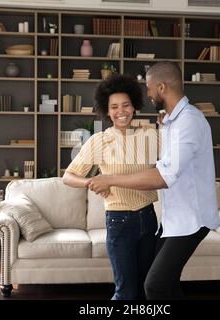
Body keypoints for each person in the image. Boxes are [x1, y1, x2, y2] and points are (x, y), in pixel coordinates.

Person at [87, 61, 220, 300]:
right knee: (165, 285)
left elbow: (162, 176)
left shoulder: (189, 121)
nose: (147, 94)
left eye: (149, 89)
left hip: (192, 219)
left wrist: (110, 179)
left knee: (155, 286)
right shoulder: (172, 122)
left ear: (161, 87)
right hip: (175, 219)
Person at [62, 74, 159, 300]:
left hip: (148, 218)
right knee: (125, 293)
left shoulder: (151, 135)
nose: (121, 111)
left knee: (146, 289)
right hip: (119, 221)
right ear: (107, 111)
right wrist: (92, 182)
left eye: (126, 104)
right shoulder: (99, 141)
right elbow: (68, 176)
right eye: (114, 107)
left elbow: (167, 170)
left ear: (134, 106)